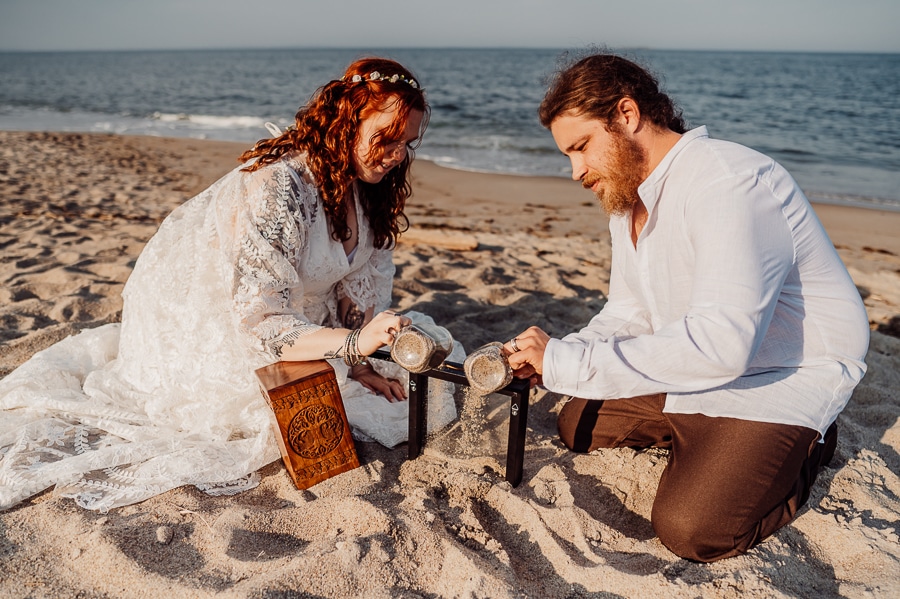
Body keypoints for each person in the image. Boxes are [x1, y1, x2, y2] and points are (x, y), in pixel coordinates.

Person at [0, 57, 462, 512]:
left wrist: (361, 363)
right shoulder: (279, 187)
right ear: (345, 123)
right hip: (229, 318)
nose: (397, 155)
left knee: (417, 371)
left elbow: (360, 286)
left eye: (405, 143)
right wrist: (355, 343)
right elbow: (260, 321)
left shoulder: (371, 188)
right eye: (385, 139)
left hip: (302, 313)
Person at [504, 51, 869, 562]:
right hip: (701, 365)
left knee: (693, 529)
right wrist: (560, 355)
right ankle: (702, 443)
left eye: (581, 147)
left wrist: (569, 362)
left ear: (626, 116)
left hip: (781, 373)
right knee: (578, 422)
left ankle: (809, 446)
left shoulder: (727, 182)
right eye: (568, 155)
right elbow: (630, 310)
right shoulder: (629, 199)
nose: (575, 171)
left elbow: (724, 344)